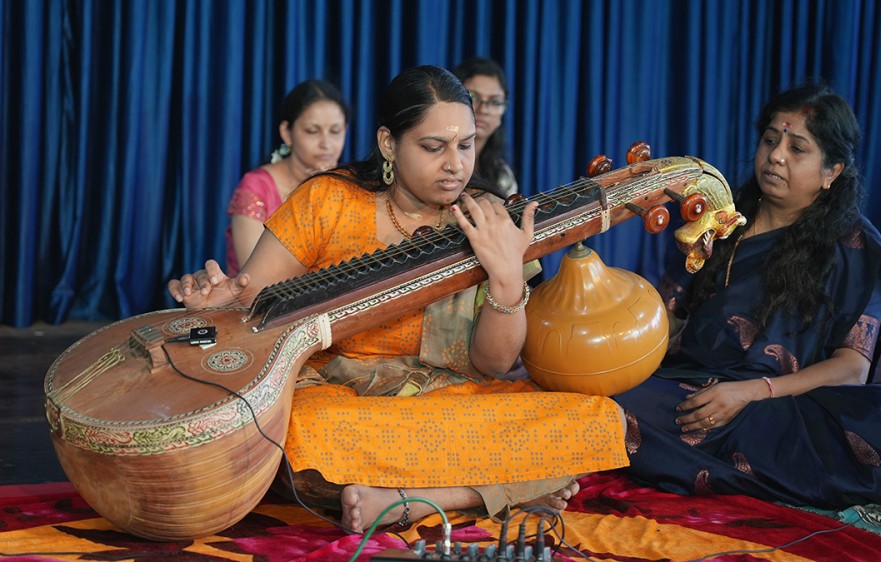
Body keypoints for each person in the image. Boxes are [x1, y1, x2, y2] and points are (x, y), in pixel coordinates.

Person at [169, 65, 627, 533]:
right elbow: (250, 304)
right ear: (389, 143)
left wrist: (506, 277)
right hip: (340, 399)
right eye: (433, 147)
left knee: (587, 418)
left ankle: (420, 499)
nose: (455, 164)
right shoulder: (327, 201)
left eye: (465, 146)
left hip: (445, 401)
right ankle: (493, 490)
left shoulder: (487, 219)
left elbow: (493, 364)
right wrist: (220, 299)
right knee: (298, 429)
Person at [614, 83, 881, 509]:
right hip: (688, 381)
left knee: (619, 417)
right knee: (603, 396)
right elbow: (665, 319)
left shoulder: (856, 250)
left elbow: (852, 369)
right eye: (770, 139)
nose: (776, 155)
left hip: (774, 399)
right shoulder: (721, 219)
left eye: (797, 148)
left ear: (831, 171)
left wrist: (751, 392)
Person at [224, 79, 350, 275]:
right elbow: (255, 280)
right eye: (312, 131)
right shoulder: (256, 187)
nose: (327, 144)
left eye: (335, 131)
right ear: (287, 133)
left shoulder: (351, 184)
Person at [453, 57, 518, 198]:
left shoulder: (503, 175)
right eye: (473, 97)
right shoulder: (435, 161)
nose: (484, 109)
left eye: (495, 102)